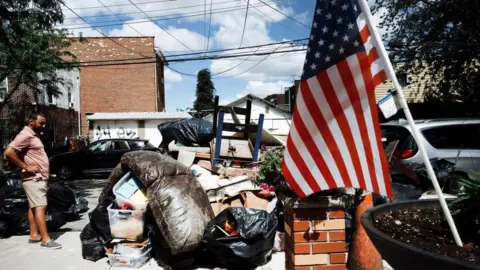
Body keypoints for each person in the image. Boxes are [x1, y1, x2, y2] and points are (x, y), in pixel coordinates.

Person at [3, 112, 62, 249]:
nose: (44, 125)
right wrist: (25, 167)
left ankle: (34, 235)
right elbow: (8, 152)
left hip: (38, 177)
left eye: (44, 123)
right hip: (34, 179)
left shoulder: (33, 135)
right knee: (41, 206)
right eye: (41, 123)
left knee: (34, 206)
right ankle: (46, 240)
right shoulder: (26, 135)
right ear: (31, 121)